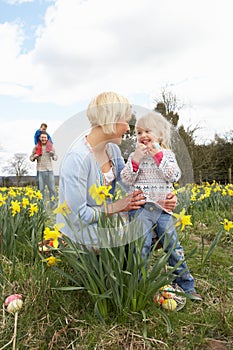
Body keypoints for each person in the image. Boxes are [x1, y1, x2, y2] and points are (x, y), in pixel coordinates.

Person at [56, 91, 177, 247]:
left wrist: (163, 197)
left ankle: (124, 261)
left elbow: (133, 183)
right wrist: (119, 206)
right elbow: (78, 216)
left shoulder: (112, 150)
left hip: (104, 220)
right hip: (80, 229)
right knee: (138, 232)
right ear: (111, 120)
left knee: (159, 224)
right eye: (126, 121)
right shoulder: (77, 158)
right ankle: (66, 246)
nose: (128, 128)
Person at [120, 111, 202, 300]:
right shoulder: (134, 156)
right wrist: (135, 161)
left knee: (173, 246)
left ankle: (186, 286)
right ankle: (140, 287)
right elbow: (126, 179)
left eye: (147, 131)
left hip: (163, 211)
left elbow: (173, 176)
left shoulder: (167, 154)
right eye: (139, 133)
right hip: (140, 209)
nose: (143, 136)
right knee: (141, 247)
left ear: (160, 135)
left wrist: (158, 155)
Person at [30, 133, 57, 209]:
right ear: (39, 138)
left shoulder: (51, 147)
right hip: (40, 171)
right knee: (40, 190)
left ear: (47, 138)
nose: (43, 139)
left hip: (49, 171)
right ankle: (41, 207)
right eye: (42, 137)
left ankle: (53, 206)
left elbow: (56, 157)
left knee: (52, 189)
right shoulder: (36, 148)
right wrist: (34, 157)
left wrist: (53, 155)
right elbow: (31, 158)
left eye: (45, 137)